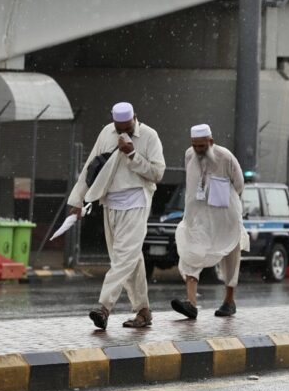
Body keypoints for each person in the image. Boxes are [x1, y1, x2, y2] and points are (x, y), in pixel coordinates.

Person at [68, 102, 166, 329]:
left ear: (135, 119)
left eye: (127, 126)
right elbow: (90, 168)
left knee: (123, 259)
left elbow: (158, 173)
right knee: (129, 259)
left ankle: (104, 308)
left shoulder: (149, 136)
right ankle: (143, 311)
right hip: (110, 204)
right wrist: (77, 200)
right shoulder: (106, 133)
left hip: (136, 203)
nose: (123, 131)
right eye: (118, 126)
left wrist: (132, 153)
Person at [170, 124, 248, 318]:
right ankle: (191, 303)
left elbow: (239, 185)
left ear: (211, 142)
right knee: (191, 251)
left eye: (202, 146)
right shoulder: (189, 155)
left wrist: (221, 198)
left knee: (230, 256)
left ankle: (229, 301)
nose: (198, 150)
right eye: (195, 146)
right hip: (199, 217)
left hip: (224, 217)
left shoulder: (226, 157)